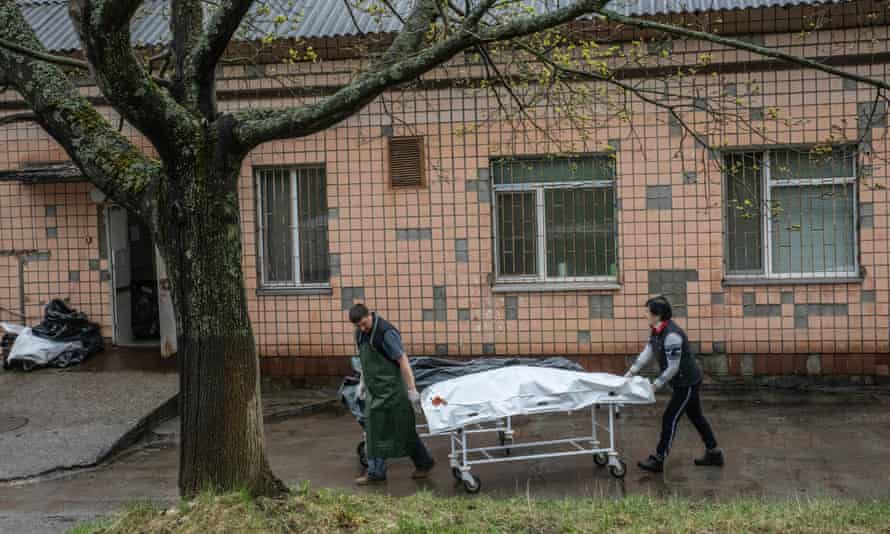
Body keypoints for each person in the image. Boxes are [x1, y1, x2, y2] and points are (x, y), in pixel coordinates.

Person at [625, 296, 725, 473]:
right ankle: (714, 453)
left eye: (648, 312)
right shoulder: (657, 330)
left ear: (658, 314)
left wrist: (655, 386)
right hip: (683, 381)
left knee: (669, 419)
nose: (645, 314)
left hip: (686, 382)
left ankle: (659, 458)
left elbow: (673, 367)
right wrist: (631, 372)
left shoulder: (671, 335)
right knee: (696, 417)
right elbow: (649, 350)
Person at [349, 303, 435, 484]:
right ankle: (376, 473)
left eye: (364, 324)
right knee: (373, 431)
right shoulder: (360, 334)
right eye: (358, 326)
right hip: (375, 392)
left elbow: (403, 361)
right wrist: (362, 382)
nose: (362, 328)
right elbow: (364, 361)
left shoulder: (386, 333)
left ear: (369, 315)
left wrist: (412, 390)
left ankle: (424, 463)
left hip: (394, 391)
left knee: (405, 431)